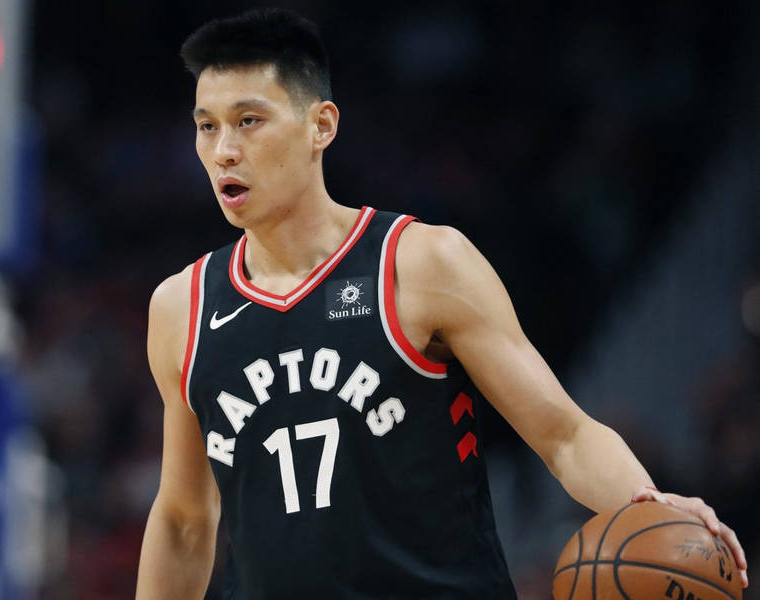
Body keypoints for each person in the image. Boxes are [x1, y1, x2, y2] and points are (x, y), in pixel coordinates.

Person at [136, 8, 748, 599]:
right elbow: (184, 520)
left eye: (249, 120)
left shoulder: (423, 263)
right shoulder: (181, 307)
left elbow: (563, 435)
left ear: (321, 125)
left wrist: (650, 503)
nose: (224, 150)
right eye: (207, 126)